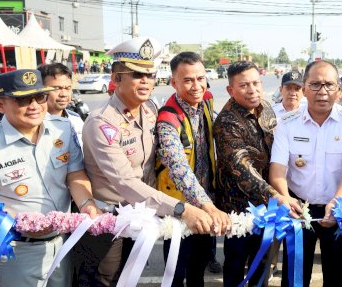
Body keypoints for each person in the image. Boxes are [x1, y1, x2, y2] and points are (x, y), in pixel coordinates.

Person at [75, 38, 212, 286]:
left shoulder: (149, 108)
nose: (146, 81)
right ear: (116, 79)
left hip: (140, 216)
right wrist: (180, 208)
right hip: (109, 222)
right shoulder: (102, 123)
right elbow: (125, 182)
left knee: (130, 278)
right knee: (107, 280)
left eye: (150, 74)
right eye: (137, 75)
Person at [0, 69, 99, 287]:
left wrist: (87, 203)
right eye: (23, 99)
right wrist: (18, 225)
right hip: (16, 251)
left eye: (40, 97)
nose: (34, 105)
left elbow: (75, 173)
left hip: (61, 242)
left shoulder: (62, 129)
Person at [269, 60, 342, 287]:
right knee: (295, 277)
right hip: (298, 208)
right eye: (315, 85)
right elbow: (277, 170)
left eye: (329, 85)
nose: (322, 92)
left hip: (338, 207)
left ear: (339, 89)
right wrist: (286, 199)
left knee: (338, 277)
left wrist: (337, 201)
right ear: (304, 88)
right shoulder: (287, 122)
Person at [154, 51, 230, 287]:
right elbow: (178, 168)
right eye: (188, 80)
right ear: (173, 82)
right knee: (175, 272)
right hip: (179, 208)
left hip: (206, 201)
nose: (196, 86)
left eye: (200, 78)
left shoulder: (206, 100)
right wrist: (207, 205)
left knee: (198, 269)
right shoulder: (167, 119)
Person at [214, 61, 278, 287]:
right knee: (236, 261)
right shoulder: (227, 122)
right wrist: (278, 196)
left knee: (262, 263)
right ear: (230, 90)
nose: (252, 90)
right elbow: (241, 168)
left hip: (268, 206)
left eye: (256, 83)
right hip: (238, 207)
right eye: (244, 85)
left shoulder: (267, 108)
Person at [38, 63, 84, 147]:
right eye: (56, 88)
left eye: (67, 88)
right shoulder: (35, 125)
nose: (63, 94)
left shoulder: (76, 120)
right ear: (41, 90)